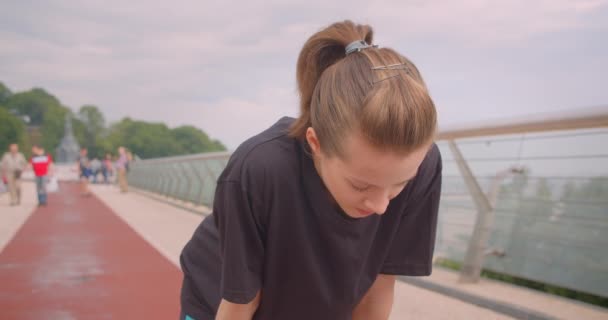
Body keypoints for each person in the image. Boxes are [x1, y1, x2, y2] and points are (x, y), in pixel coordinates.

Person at [179, 21, 442, 320]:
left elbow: (377, 290)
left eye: (399, 184)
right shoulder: (260, 169)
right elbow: (240, 305)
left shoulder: (424, 165)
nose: (382, 206)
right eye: (361, 186)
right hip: (222, 302)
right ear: (315, 143)